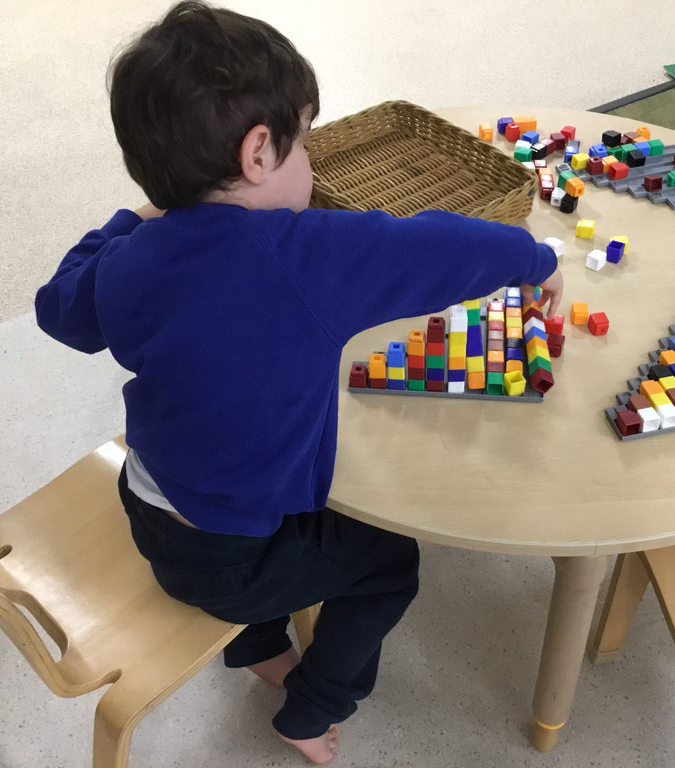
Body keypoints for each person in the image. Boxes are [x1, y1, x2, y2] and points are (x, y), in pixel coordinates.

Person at [34, 1, 563, 763]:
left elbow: (61, 309)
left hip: (149, 501)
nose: (311, 162)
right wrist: (539, 262)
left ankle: (256, 645)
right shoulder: (307, 255)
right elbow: (438, 246)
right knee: (387, 566)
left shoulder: (131, 258)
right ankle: (312, 710)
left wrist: (139, 216)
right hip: (229, 553)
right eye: (305, 143)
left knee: (259, 503)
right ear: (258, 153)